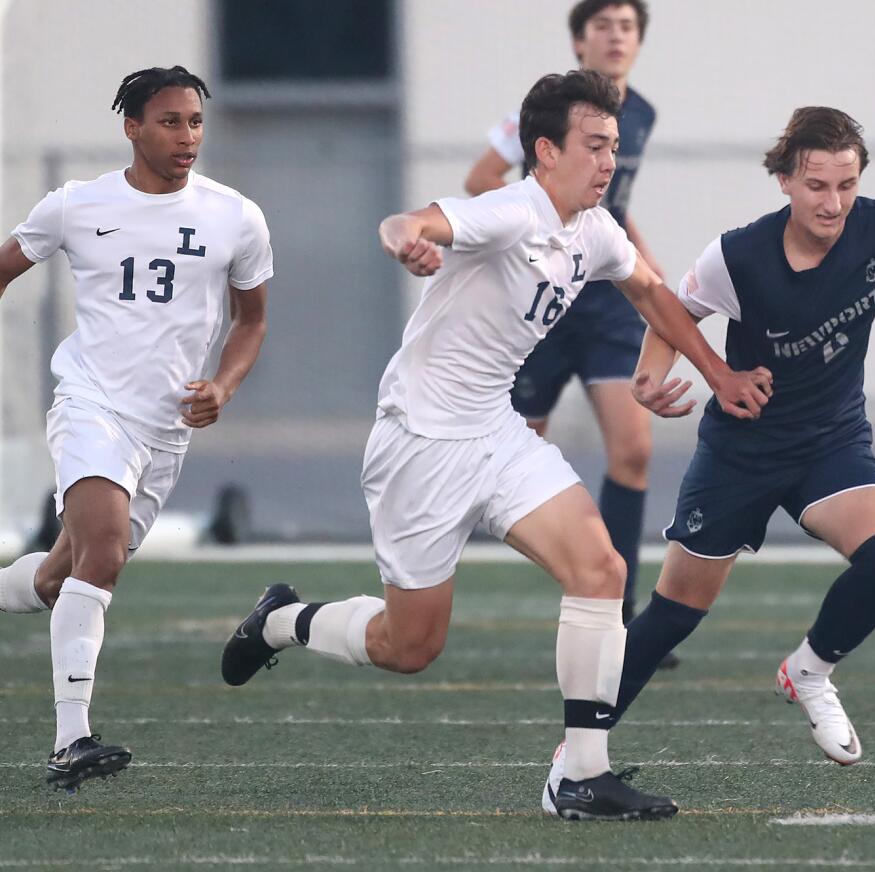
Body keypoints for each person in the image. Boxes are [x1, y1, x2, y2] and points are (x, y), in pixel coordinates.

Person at [220, 70, 771, 822]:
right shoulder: (511, 211)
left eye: (614, 146)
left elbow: (650, 293)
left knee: (602, 568)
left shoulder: (598, 230)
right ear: (544, 151)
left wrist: (716, 373)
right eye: (594, 146)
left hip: (496, 431)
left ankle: (579, 776)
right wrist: (407, 240)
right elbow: (409, 222)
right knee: (409, 646)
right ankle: (281, 621)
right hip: (421, 443)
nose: (610, 161)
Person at [538, 105, 875, 804]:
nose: (833, 203)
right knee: (674, 612)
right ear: (783, 181)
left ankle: (809, 671)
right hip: (742, 450)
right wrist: (650, 377)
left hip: (831, 441)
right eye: (817, 186)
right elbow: (671, 311)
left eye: (846, 185)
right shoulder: (737, 256)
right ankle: (578, 754)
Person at [0, 66, 273, 792]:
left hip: (165, 431)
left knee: (64, 576)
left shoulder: (235, 216)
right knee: (105, 553)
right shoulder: (75, 206)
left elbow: (251, 321)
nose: (187, 136)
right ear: (131, 128)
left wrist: (223, 384)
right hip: (93, 403)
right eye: (169, 121)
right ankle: (70, 740)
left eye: (194, 122)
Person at [464, 1, 669, 645]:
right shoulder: (548, 114)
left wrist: (654, 278)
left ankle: (618, 610)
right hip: (541, 302)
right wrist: (529, 232)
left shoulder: (644, 115)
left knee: (633, 450)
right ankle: (431, 580)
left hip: (605, 303)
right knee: (495, 463)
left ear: (638, 43)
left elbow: (611, 210)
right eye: (602, 26)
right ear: (579, 41)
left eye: (626, 27)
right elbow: (480, 178)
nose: (615, 37)